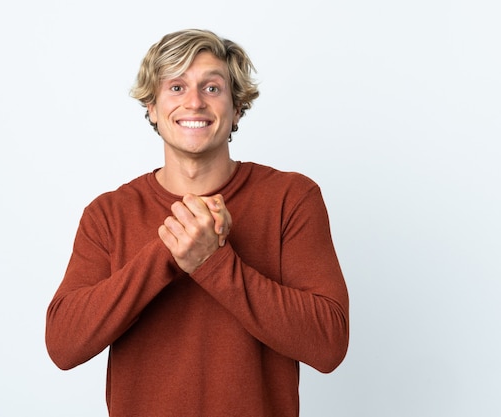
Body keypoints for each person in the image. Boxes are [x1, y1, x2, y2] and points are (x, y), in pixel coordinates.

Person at [45, 28, 349, 417]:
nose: (193, 102)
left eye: (212, 88)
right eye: (175, 87)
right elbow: (63, 345)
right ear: (152, 108)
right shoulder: (108, 214)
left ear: (237, 107)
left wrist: (214, 264)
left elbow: (328, 345)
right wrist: (170, 252)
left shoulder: (291, 198)